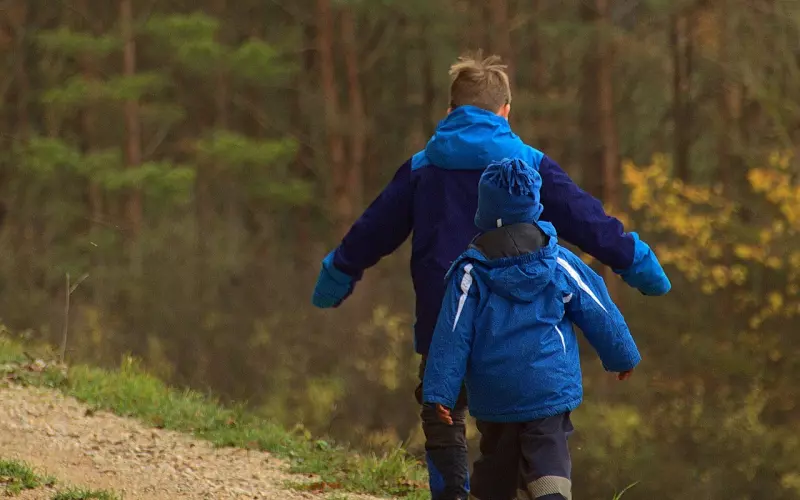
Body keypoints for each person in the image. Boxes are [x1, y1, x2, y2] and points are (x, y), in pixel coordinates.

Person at [311, 52, 666, 500]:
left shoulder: (424, 167)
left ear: (449, 111)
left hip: (446, 314)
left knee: (443, 411)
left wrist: (338, 272)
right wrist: (635, 260)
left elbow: (373, 229)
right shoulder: (527, 166)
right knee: (530, 418)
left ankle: (453, 493)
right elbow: (586, 219)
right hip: (520, 327)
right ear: (505, 111)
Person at [422, 157, 640, 500]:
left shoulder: (470, 273)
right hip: (548, 387)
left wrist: (440, 392)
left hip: (497, 389)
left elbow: (451, 334)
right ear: (534, 205)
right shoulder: (559, 262)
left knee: (497, 462)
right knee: (548, 455)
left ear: (485, 211)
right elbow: (599, 309)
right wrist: (622, 355)